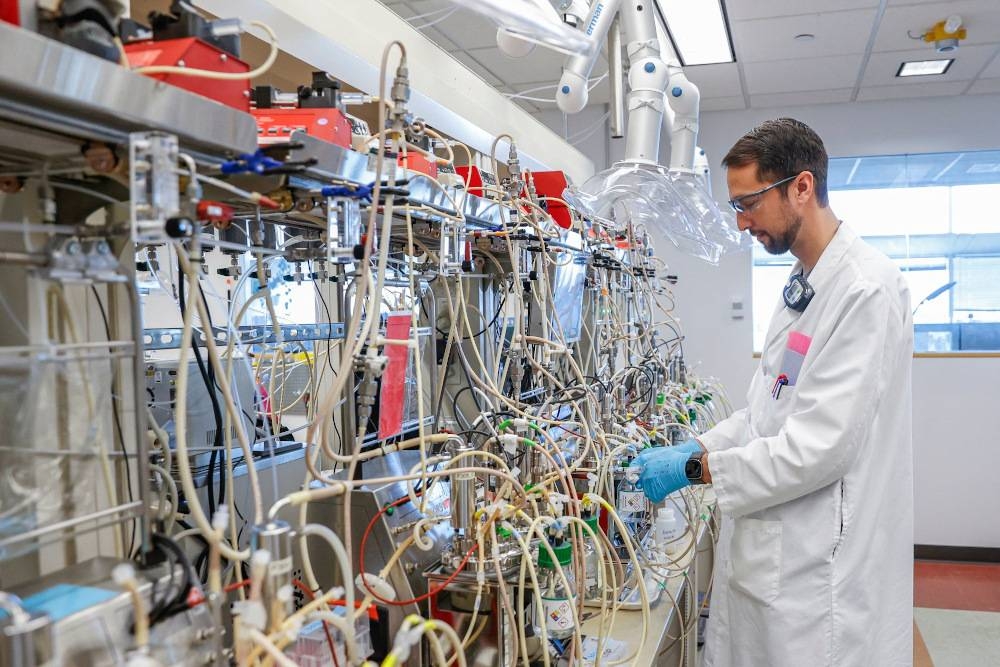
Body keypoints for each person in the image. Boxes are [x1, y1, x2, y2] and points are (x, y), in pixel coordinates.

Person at [637, 118, 913, 666]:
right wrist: (697, 446)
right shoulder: (803, 287)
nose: (741, 223)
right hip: (776, 559)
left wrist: (696, 472)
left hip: (816, 578)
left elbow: (818, 448)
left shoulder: (864, 290)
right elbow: (770, 406)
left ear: (802, 187)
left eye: (750, 203)